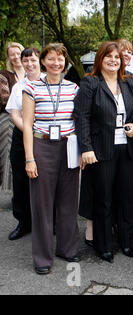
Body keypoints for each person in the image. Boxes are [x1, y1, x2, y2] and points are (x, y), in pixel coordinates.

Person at [74, 41, 133, 263]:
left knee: (126, 197)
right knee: (103, 199)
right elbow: (82, 117)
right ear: (100, 59)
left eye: (117, 57)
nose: (114, 60)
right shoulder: (90, 83)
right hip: (101, 150)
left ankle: (126, 242)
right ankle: (103, 245)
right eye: (108, 56)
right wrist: (86, 148)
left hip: (127, 148)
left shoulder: (130, 82)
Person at [22, 43, 81, 275]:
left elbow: (79, 120)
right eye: (52, 59)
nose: (57, 63)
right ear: (43, 61)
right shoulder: (32, 88)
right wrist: (29, 158)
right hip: (42, 145)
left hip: (68, 145)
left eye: (61, 59)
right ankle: (42, 257)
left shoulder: (74, 88)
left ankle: (67, 248)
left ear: (65, 62)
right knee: (42, 204)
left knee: (68, 201)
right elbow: (26, 125)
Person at [6, 47, 44, 241]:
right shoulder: (18, 86)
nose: (29, 64)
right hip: (22, 136)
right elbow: (14, 114)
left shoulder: (49, 82)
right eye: (26, 61)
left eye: (33, 60)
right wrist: (30, 130)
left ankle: (48, 222)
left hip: (46, 139)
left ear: (40, 62)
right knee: (21, 180)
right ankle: (24, 222)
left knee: (46, 180)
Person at [0, 42, 24, 192]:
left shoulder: (32, 72)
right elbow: (4, 99)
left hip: (31, 116)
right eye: (12, 54)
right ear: (8, 57)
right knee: (9, 151)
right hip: (8, 116)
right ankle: (13, 188)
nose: (16, 57)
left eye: (18, 53)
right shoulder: (4, 75)